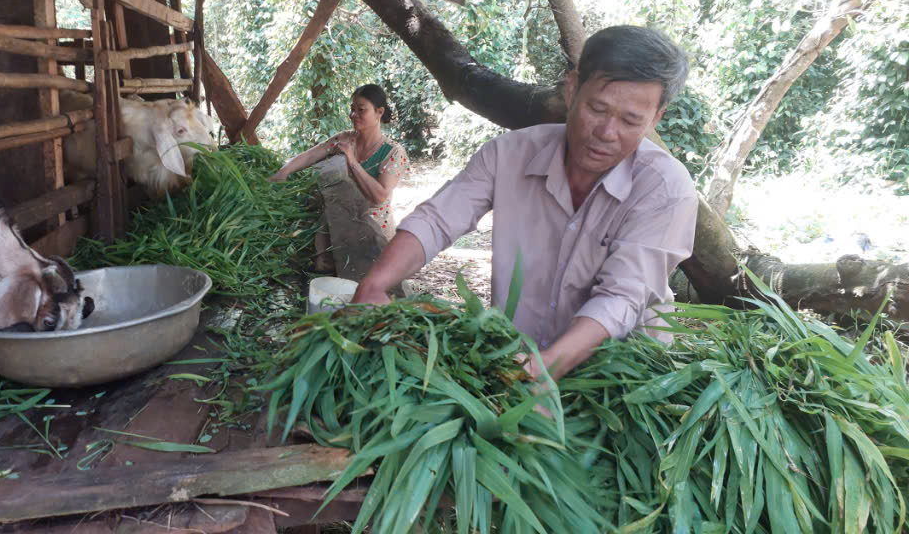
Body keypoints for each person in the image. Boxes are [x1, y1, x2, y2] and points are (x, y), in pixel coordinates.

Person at [351, 25, 699, 382]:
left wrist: (546, 366)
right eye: (598, 108)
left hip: (617, 382)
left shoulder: (666, 189)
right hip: (515, 359)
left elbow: (623, 296)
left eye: (630, 121)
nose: (607, 133)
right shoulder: (509, 154)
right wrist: (374, 285)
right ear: (572, 88)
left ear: (656, 117)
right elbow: (438, 219)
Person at [270, 84, 411, 272]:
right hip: (339, 222)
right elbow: (311, 155)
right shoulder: (346, 139)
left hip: (371, 229)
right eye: (352, 109)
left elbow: (379, 196)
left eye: (361, 110)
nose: (353, 115)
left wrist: (352, 161)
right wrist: (283, 172)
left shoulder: (393, 152)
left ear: (379, 112)